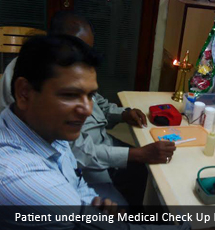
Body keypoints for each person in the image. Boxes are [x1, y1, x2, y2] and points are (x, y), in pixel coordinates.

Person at [0, 11, 175, 206]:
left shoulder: (53, 130)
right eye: (69, 95)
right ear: (23, 93)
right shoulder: (26, 176)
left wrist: (123, 114)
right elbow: (79, 159)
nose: (87, 109)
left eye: (89, 95)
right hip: (92, 164)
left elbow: (75, 179)